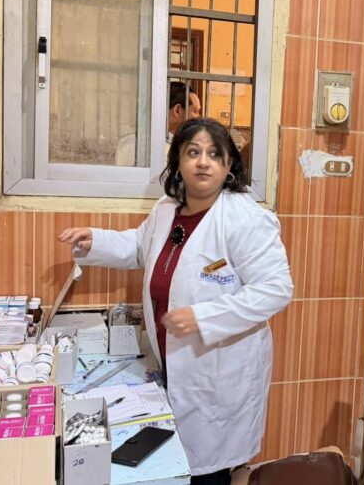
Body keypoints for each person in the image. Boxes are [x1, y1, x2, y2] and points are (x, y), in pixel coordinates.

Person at [59, 118, 292, 485]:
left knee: (210, 469)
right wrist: (96, 240)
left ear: (229, 165)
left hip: (220, 370)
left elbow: (275, 288)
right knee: (178, 462)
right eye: (193, 152)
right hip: (173, 359)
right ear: (178, 162)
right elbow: (140, 247)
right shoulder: (167, 209)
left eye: (214, 154)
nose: (203, 162)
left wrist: (205, 317)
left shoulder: (246, 220)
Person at [116, 82, 202, 166]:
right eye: (196, 111)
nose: (199, 117)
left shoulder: (128, 142)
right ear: (177, 110)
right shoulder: (167, 150)